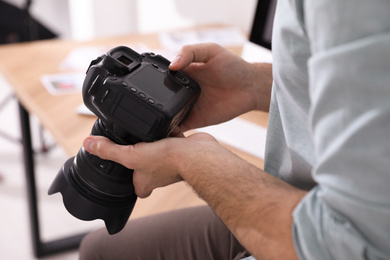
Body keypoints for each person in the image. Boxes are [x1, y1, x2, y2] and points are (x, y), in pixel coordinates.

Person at [79, 0, 390, 259]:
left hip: (315, 234)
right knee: (98, 249)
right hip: (306, 202)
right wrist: (253, 85)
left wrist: (190, 162)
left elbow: (349, 246)